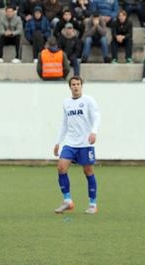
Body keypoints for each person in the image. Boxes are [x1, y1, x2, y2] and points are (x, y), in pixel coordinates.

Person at [54, 76, 100, 214]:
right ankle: (67, 201)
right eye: (73, 84)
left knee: (88, 171)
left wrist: (94, 132)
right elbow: (64, 123)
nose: (76, 86)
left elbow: (97, 117)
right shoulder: (66, 103)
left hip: (85, 143)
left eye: (78, 84)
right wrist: (58, 142)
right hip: (70, 143)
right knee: (61, 168)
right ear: (70, 87)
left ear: (81, 86)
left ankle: (93, 204)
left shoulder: (88, 101)